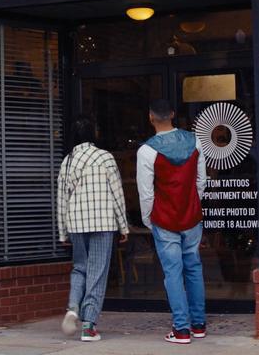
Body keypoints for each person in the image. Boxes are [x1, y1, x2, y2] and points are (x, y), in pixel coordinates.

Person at [136, 99, 208, 344]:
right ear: (173, 115)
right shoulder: (195, 141)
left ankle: (181, 330)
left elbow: (146, 193)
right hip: (192, 216)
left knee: (173, 273)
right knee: (194, 267)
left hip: (164, 218)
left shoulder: (146, 151)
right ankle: (198, 325)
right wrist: (193, 203)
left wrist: (148, 219)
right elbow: (201, 181)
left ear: (150, 117)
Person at [57, 115, 129, 342]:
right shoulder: (105, 157)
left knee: (80, 268)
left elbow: (62, 200)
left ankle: (72, 308)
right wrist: (124, 226)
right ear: (93, 134)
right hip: (103, 223)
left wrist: (63, 232)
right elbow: (117, 194)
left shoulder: (67, 161)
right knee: (97, 272)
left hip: (77, 224)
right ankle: (88, 326)